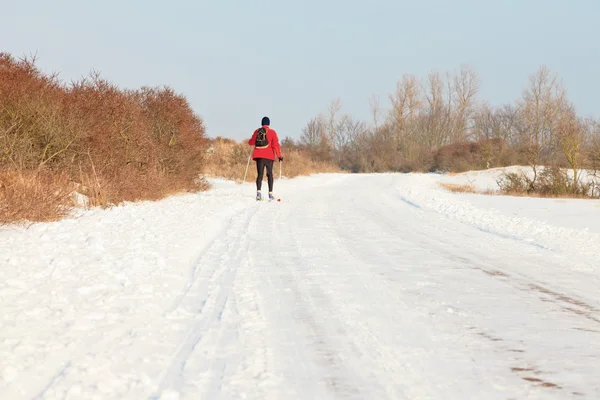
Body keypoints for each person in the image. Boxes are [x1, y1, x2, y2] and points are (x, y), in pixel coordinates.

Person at [248, 116, 283, 200]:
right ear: (268, 123)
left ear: (262, 123)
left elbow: (250, 142)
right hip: (269, 157)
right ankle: (270, 194)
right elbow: (275, 145)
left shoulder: (257, 131)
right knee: (269, 174)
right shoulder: (272, 132)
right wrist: (279, 156)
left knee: (260, 175)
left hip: (259, 156)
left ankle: (258, 194)